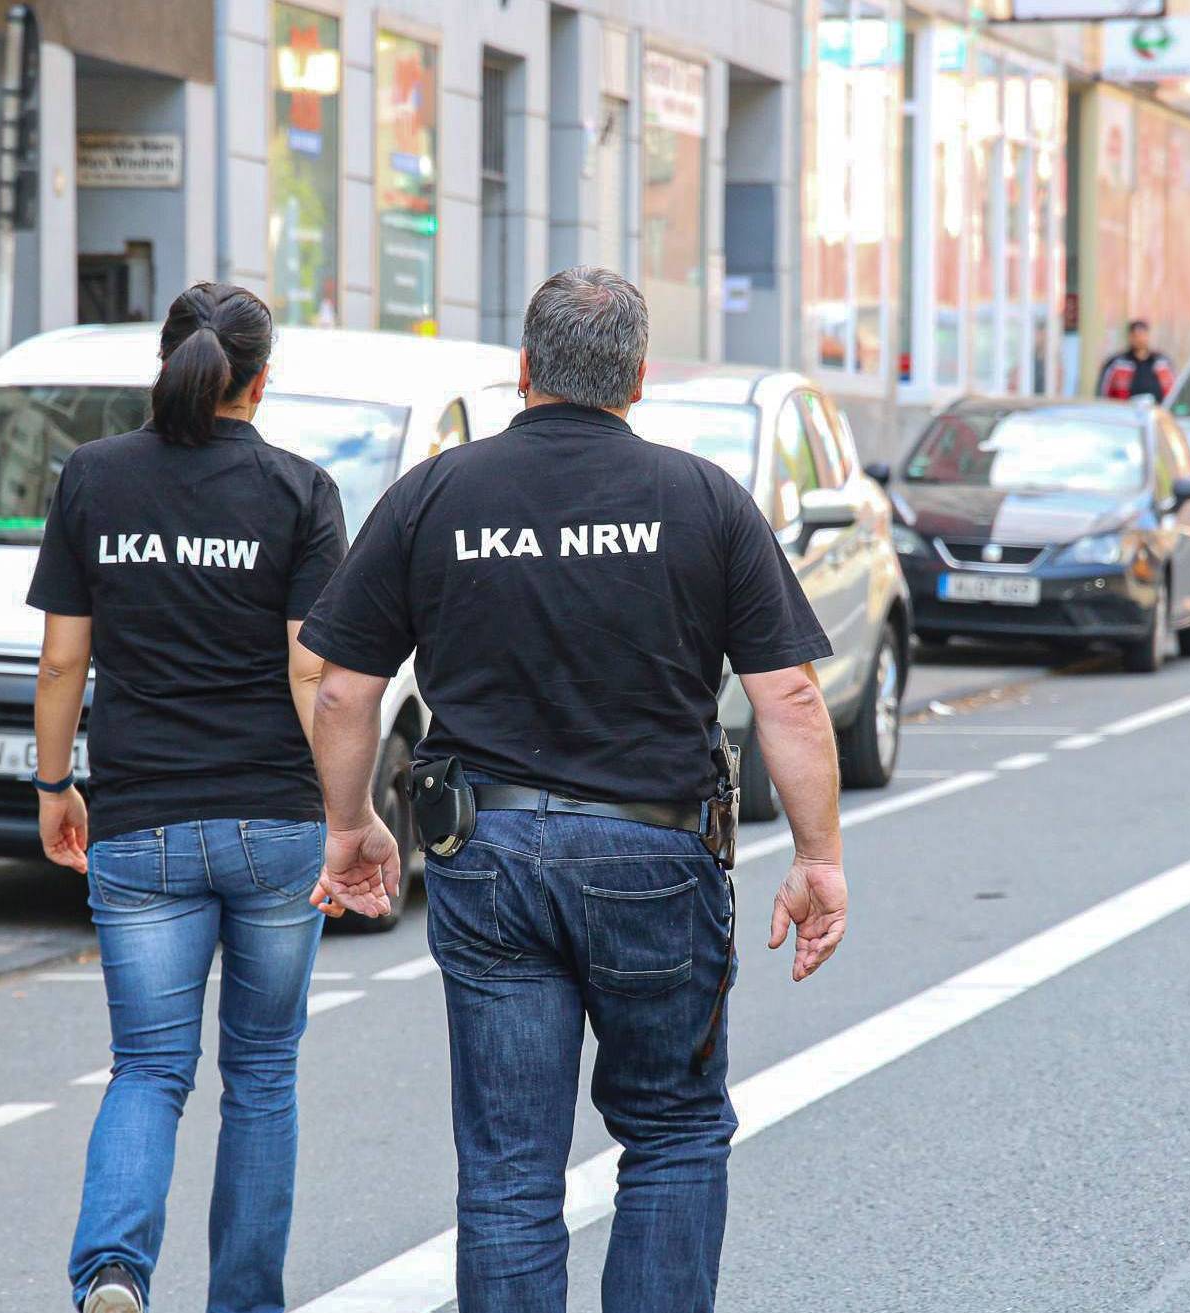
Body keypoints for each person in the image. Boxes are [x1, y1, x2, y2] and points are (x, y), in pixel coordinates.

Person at [299, 266, 850, 1312]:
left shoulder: (433, 495)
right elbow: (787, 694)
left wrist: (349, 824)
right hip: (657, 857)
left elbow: (341, 691)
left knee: (510, 1169)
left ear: (523, 369)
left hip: (489, 858)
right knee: (673, 1131)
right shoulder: (703, 500)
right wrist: (817, 857)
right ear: (637, 379)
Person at [28, 282, 348, 1313]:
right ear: (260, 380)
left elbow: (62, 662)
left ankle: (114, 1269)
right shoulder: (301, 491)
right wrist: (348, 816)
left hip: (140, 819)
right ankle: (244, 1301)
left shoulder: (93, 477)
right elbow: (311, 674)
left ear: (164, 365)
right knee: (261, 1075)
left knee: (149, 1068)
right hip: (274, 822)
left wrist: (54, 783)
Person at [1096, 319, 1175, 402]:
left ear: (1147, 336)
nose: (1139, 339)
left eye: (1142, 335)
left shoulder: (1162, 363)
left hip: (1157, 408)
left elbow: (1173, 389)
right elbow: (1103, 392)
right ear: (1130, 337)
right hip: (1125, 408)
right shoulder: (1117, 364)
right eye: (1136, 336)